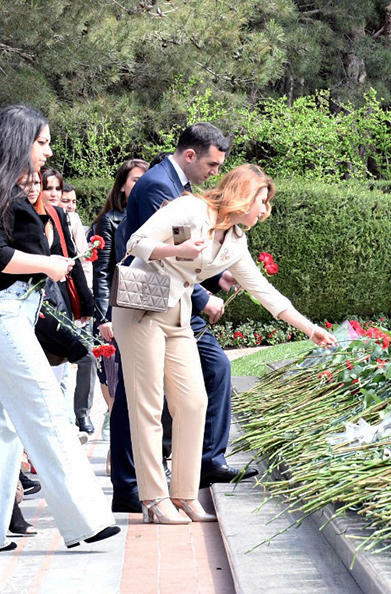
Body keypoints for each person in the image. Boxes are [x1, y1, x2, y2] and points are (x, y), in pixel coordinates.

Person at [115, 164, 335, 524]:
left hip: (178, 315)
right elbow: (135, 243)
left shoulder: (235, 240)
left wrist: (310, 329)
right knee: (149, 406)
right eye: (262, 201)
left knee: (194, 402)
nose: (265, 211)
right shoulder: (190, 208)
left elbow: (263, 290)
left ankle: (185, 495)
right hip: (142, 308)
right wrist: (179, 249)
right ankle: (154, 498)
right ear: (244, 195)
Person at [0, 104, 117, 552]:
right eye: (41, 141)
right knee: (45, 409)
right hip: (0, 317)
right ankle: (86, 519)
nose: (47, 151)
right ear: (20, 140)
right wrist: (50, 264)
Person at [108, 124, 252, 513]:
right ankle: (138, 487)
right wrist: (205, 296)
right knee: (143, 400)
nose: (214, 173)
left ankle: (166, 485)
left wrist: (213, 275)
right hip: (149, 302)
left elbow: (188, 255)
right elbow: (161, 249)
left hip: (171, 303)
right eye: (211, 163)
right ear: (190, 155)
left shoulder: (175, 185)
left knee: (162, 397)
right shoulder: (161, 187)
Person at [90, 159, 149, 442]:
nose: (141, 185)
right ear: (122, 186)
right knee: (115, 383)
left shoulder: (150, 218)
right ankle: (117, 447)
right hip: (115, 311)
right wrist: (104, 317)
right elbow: (101, 272)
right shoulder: (110, 221)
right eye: (135, 180)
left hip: (141, 310)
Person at [39, 167, 99, 432]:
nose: (53, 193)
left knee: (81, 356)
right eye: (47, 187)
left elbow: (74, 260)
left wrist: (86, 305)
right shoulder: (27, 216)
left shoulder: (61, 215)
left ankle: (77, 416)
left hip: (59, 300)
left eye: (57, 188)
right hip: (36, 303)